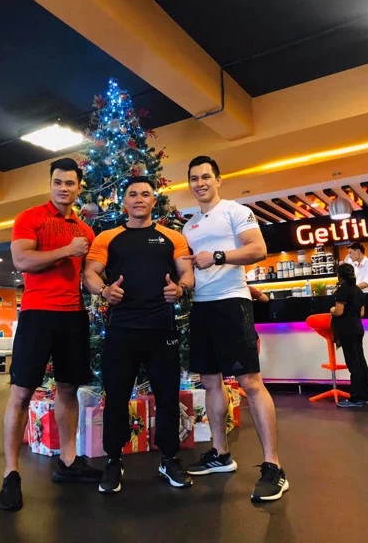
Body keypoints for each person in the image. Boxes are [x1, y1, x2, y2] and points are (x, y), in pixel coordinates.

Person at [0, 158, 102, 512]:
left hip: (73, 315)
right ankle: (11, 474)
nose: (63, 188)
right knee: (21, 392)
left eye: (70, 183)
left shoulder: (85, 231)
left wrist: (108, 288)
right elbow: (22, 261)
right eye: (58, 182)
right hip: (37, 314)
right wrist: (67, 250)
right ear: (50, 183)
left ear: (78, 188)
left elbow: (88, 275)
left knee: (68, 388)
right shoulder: (31, 217)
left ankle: (68, 461)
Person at [182, 155, 289, 503]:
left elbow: (258, 249)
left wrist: (217, 256)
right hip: (201, 307)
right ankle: (220, 453)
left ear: (218, 180)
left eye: (206, 177)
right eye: (194, 178)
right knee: (210, 381)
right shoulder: (189, 227)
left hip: (231, 302)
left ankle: (273, 467)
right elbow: (189, 270)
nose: (200, 183)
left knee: (250, 383)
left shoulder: (235, 211)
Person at [83, 176, 194, 494]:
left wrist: (180, 288)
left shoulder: (173, 237)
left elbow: (187, 273)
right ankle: (113, 460)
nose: (139, 198)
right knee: (116, 397)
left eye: (146, 194)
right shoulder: (108, 237)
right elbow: (89, 273)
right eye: (133, 194)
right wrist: (104, 290)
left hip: (162, 329)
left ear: (153, 201)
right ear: (125, 201)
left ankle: (169, 458)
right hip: (122, 329)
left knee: (168, 397)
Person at [330, 263, 368, 407]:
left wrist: (332, 309)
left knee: (353, 364)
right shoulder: (358, 290)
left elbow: (339, 311)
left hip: (347, 330)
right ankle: (367, 396)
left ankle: (355, 398)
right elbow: (362, 313)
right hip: (358, 328)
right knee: (361, 361)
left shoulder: (343, 290)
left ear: (339, 276)